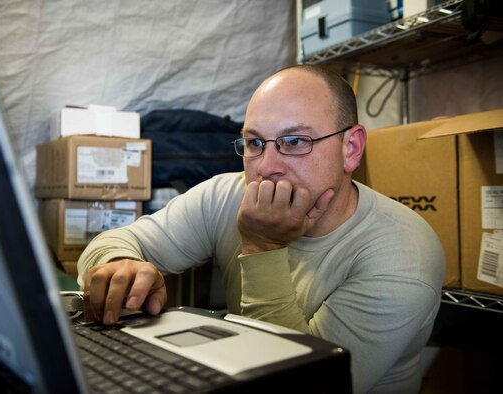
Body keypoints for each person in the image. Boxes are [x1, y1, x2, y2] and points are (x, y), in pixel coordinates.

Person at [77, 64, 445, 394]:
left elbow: (301, 384)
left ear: (351, 148)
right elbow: (119, 240)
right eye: (254, 143)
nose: (266, 166)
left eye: (295, 141)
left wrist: (262, 246)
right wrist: (119, 262)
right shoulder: (228, 194)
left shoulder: (403, 254)